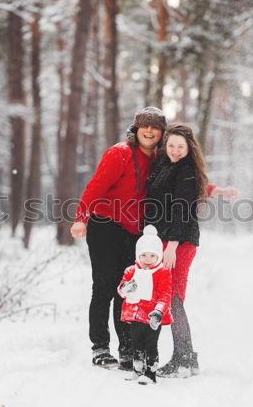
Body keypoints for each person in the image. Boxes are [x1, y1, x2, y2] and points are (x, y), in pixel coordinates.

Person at [70, 107, 167, 370]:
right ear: (135, 130)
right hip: (105, 224)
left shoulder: (160, 159)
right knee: (104, 286)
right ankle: (100, 347)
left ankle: (127, 348)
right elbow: (96, 186)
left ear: (161, 133)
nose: (149, 131)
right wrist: (81, 218)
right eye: (144, 126)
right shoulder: (120, 153)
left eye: (155, 127)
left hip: (134, 232)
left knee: (127, 290)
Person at [146, 123, 237, 378]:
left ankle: (184, 358)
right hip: (165, 239)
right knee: (170, 297)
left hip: (179, 242)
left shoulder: (185, 168)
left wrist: (173, 245)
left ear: (189, 148)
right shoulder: (166, 164)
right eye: (171, 145)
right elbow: (187, 187)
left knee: (173, 297)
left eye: (180, 146)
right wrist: (215, 190)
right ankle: (184, 358)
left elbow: (182, 205)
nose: (175, 150)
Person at [117, 225, 172, 385]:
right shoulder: (131, 271)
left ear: (159, 256)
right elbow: (121, 290)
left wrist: (158, 311)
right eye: (144, 255)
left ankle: (150, 373)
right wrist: (126, 288)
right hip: (135, 316)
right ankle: (137, 369)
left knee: (150, 345)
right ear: (137, 255)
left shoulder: (162, 273)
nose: (148, 260)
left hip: (152, 318)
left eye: (152, 256)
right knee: (136, 344)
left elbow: (166, 294)